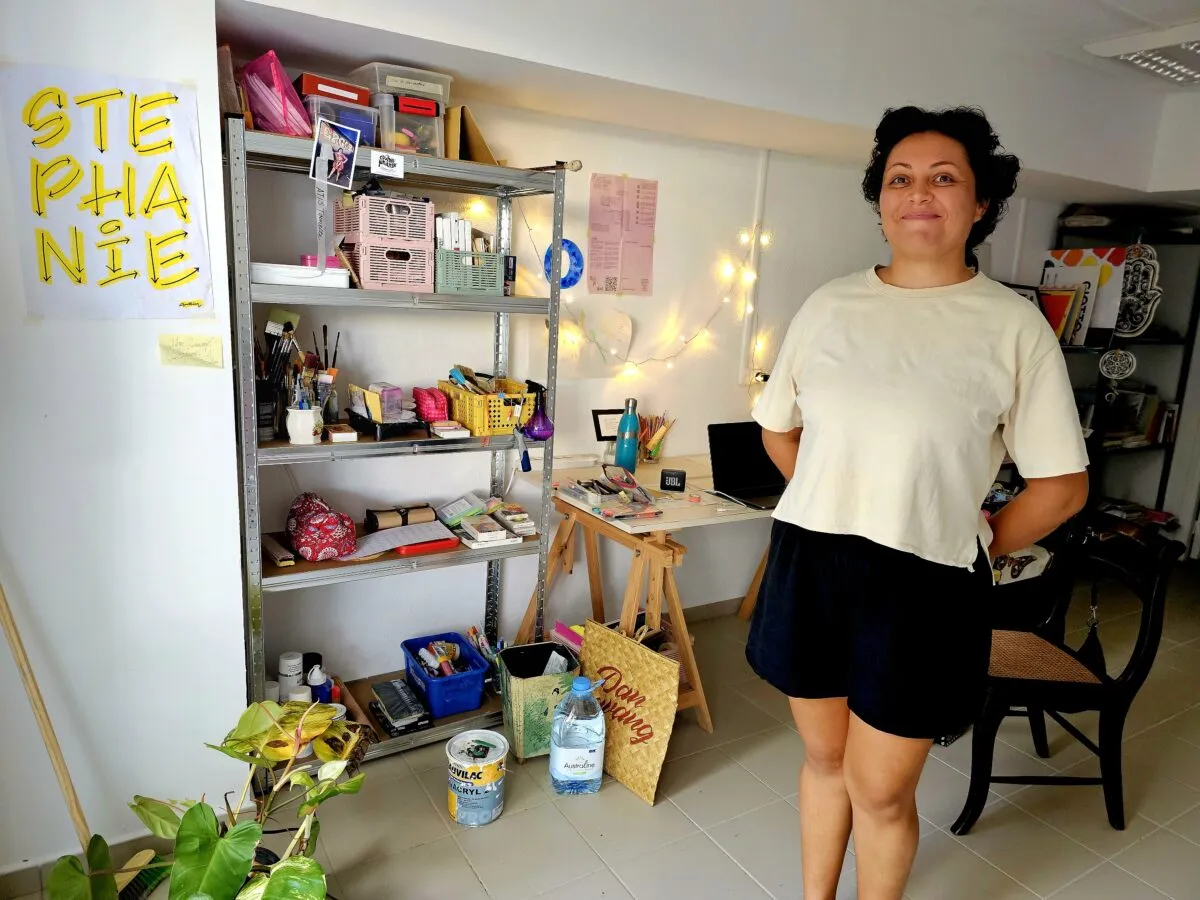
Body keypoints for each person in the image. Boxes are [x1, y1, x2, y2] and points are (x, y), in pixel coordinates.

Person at [747, 106, 1089, 900]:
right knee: (824, 760)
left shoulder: (1012, 327)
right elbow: (777, 429)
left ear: (979, 204)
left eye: (943, 178)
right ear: (880, 202)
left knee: (880, 790)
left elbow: (1061, 487)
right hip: (811, 562)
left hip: (924, 583)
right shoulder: (829, 305)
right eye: (900, 179)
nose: (918, 193)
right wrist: (837, 493)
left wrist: (973, 539)